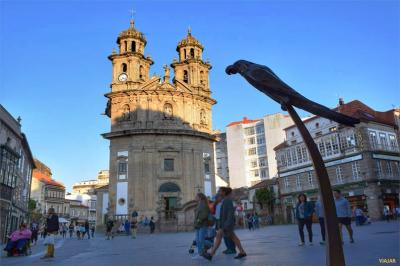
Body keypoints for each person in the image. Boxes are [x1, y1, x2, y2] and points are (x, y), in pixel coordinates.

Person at [203, 187, 246, 261]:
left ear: (224, 192)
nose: (218, 192)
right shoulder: (225, 200)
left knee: (223, 237)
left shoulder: (227, 201)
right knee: (230, 238)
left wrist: (226, 225)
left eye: (220, 191)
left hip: (226, 224)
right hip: (225, 224)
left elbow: (230, 214)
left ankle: (211, 254)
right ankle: (242, 252)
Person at [192, 193, 211, 259]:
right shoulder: (199, 204)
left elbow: (205, 214)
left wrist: (198, 221)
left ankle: (203, 252)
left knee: (200, 239)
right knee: (198, 240)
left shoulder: (203, 204)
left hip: (202, 225)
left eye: (196, 196)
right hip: (198, 225)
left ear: (200, 197)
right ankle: (200, 253)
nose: (195, 197)